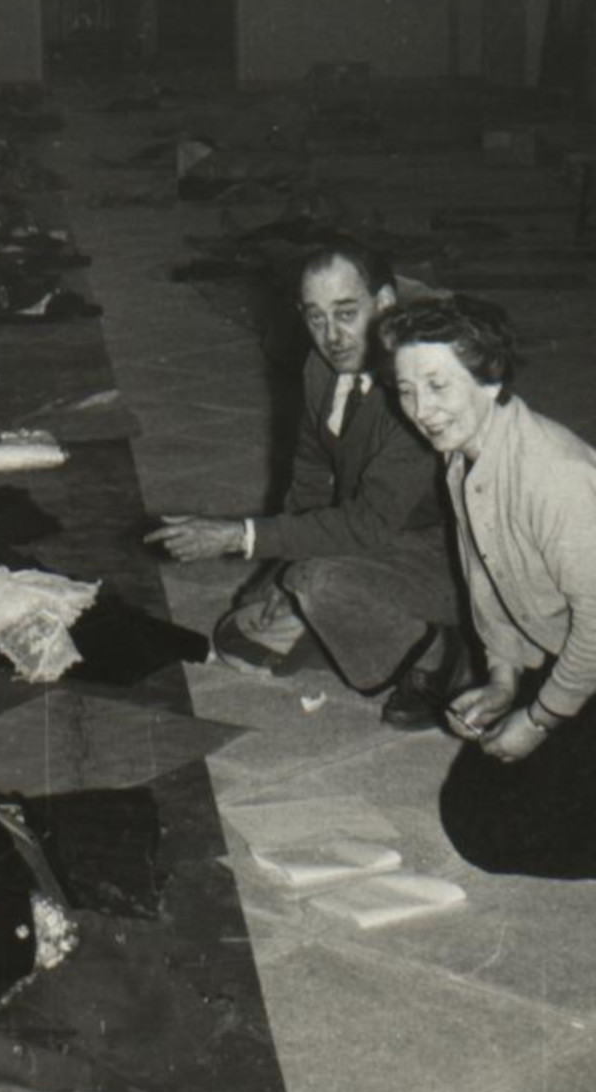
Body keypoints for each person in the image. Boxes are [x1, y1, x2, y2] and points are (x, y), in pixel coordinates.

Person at [145, 238, 465, 728]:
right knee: (258, 609)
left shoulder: (416, 392)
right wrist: (281, 571)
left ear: (384, 304)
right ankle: (357, 617)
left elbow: (368, 525)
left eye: (345, 313)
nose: (331, 335)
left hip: (457, 557)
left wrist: (242, 537)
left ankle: (440, 655)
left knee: (318, 585)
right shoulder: (322, 367)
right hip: (390, 534)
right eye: (315, 317)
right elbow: (311, 477)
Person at [380, 293, 596, 878]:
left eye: (438, 385)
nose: (420, 409)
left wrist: (542, 718)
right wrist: (503, 681)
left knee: (508, 836)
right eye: (405, 389)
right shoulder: (465, 456)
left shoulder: (557, 476)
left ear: (490, 379)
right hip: (568, 659)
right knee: (473, 806)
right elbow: (484, 579)